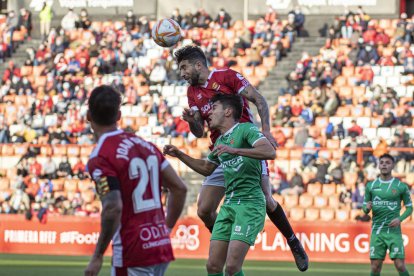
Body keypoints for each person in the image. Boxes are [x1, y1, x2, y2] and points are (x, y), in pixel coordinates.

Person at [174, 45, 308, 271]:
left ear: (198, 64)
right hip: (220, 151)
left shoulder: (227, 76)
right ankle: (225, 244)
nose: (182, 73)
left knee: (265, 199)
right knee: (204, 210)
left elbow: (258, 99)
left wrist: (266, 130)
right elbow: (199, 132)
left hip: (244, 144)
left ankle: (292, 241)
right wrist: (191, 121)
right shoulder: (192, 93)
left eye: (184, 67)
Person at [164, 93, 275, 276]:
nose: (209, 113)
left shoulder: (246, 129)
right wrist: (180, 155)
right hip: (229, 206)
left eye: (214, 108)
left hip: (250, 205)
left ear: (228, 112)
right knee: (213, 266)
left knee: (232, 267)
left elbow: (269, 151)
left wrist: (235, 150)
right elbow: (207, 168)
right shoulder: (221, 141)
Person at [84, 85, 187, 276]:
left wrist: (97, 255)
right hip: (159, 245)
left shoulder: (101, 156)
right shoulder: (145, 145)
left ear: (88, 116)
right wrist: (166, 229)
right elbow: (179, 188)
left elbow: (113, 207)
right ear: (119, 115)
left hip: (132, 250)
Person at [363, 154, 412, 276]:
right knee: (375, 267)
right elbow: (365, 208)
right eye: (382, 162)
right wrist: (366, 208)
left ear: (392, 166)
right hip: (377, 232)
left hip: (394, 232)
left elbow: (410, 208)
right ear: (379, 165)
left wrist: (400, 219)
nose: (384, 164)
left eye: (387, 162)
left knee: (400, 265)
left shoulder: (401, 186)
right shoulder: (371, 186)